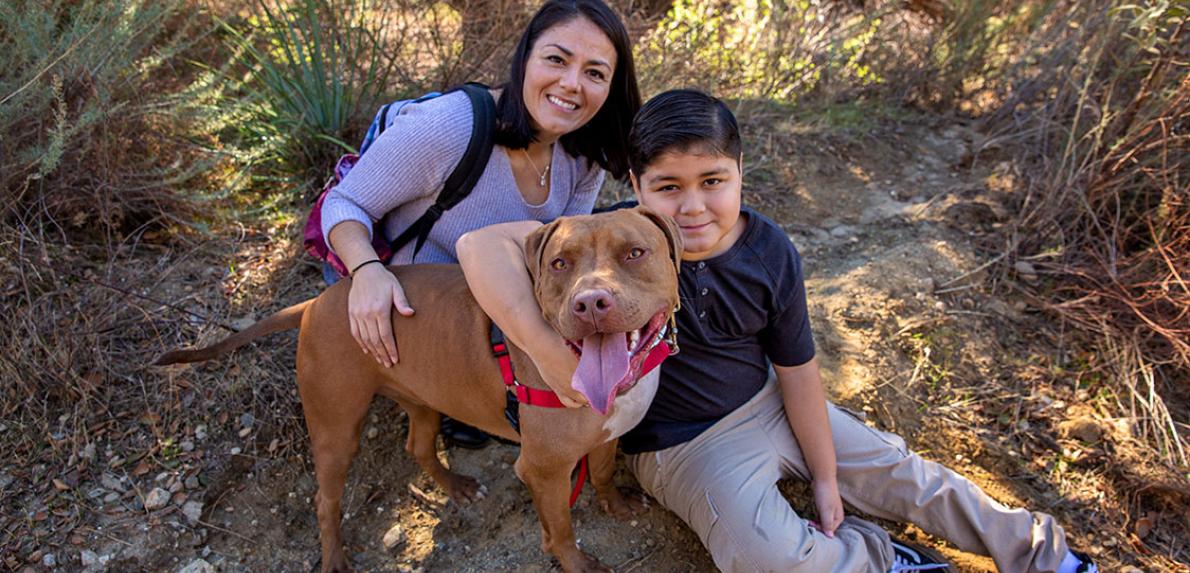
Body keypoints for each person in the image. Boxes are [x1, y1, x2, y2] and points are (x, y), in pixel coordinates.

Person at [456, 89, 1099, 573]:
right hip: (682, 445)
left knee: (905, 473)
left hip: (770, 403)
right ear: (635, 187)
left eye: (713, 182)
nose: (692, 206)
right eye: (667, 187)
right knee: (767, 555)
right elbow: (481, 244)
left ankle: (1045, 555)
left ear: (740, 173)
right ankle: (881, 559)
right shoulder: (611, 237)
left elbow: (797, 372)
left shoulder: (768, 250)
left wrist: (824, 476)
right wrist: (543, 345)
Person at [321, 0, 641, 447]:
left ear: (611, 88)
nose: (571, 84)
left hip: (494, 295)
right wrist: (366, 271)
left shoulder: (581, 154)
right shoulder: (450, 127)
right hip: (417, 303)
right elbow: (345, 201)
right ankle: (453, 392)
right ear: (525, 58)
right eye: (557, 59)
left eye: (595, 72)